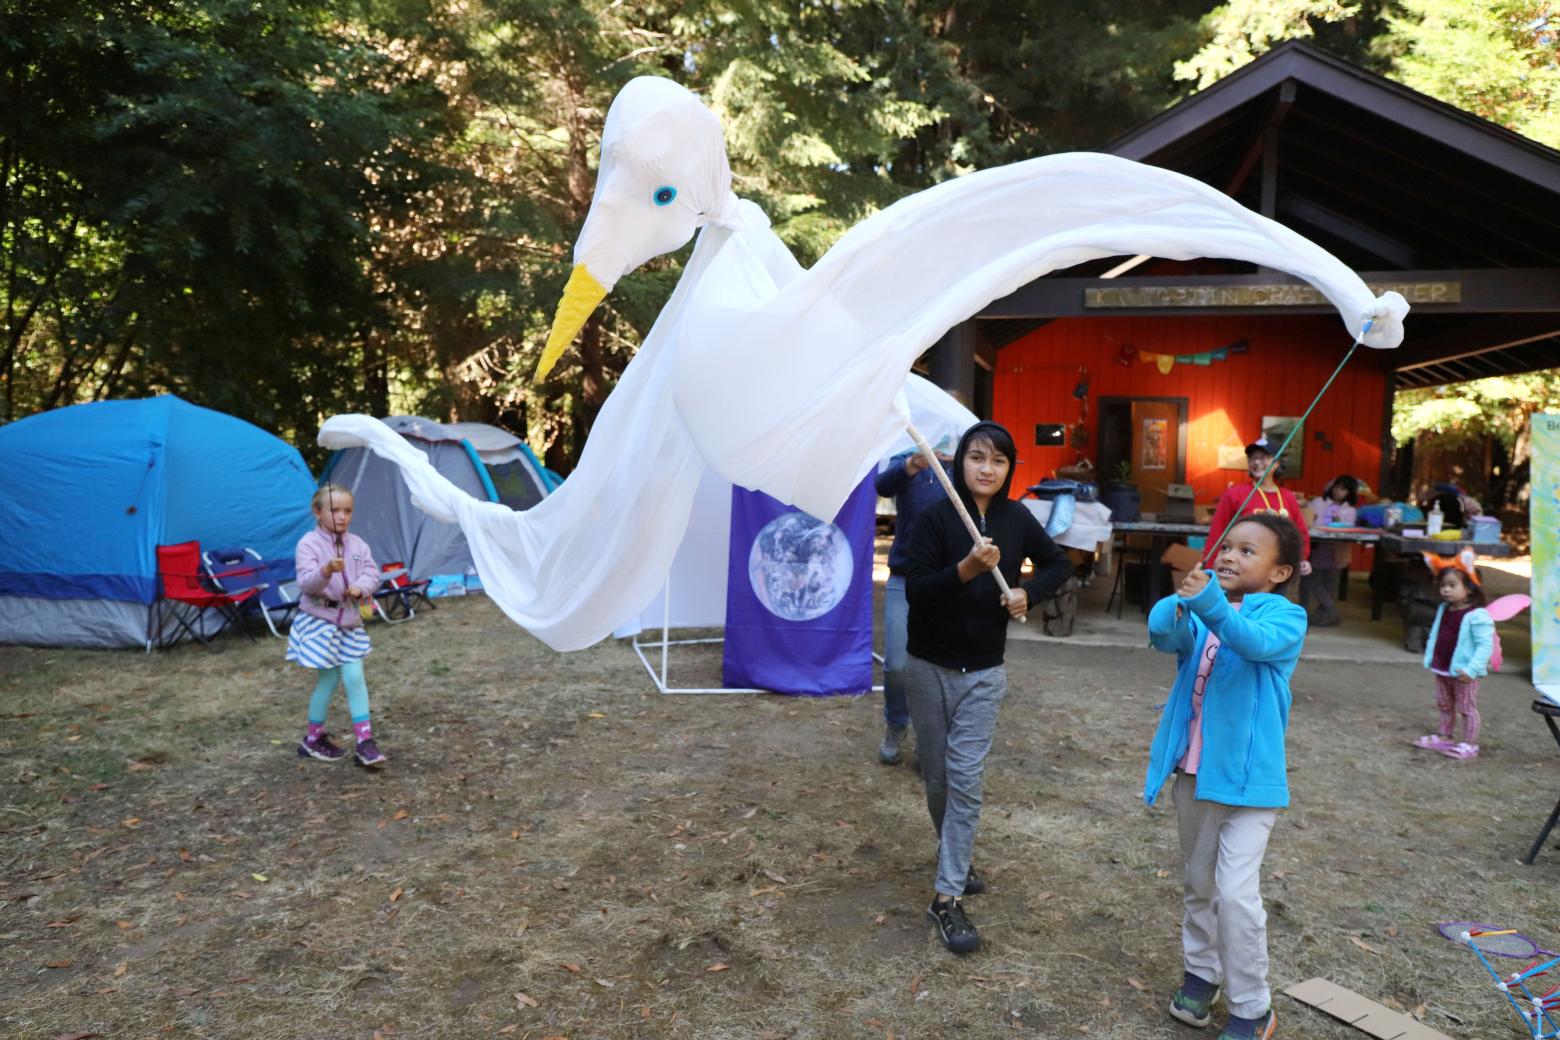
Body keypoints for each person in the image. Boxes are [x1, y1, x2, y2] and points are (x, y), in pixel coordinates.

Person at [904, 420, 1072, 954]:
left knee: (966, 778)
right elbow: (918, 594)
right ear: (961, 462)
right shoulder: (935, 519)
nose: (986, 468)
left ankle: (946, 896)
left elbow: (1058, 563)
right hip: (928, 667)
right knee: (938, 779)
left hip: (984, 672)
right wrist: (968, 569)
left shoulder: (1017, 518)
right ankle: (956, 853)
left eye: (998, 461)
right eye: (978, 457)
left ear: (1009, 469)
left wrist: (1028, 592)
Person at [1145, 514, 1306, 1040]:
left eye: (1247, 551)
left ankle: (1252, 1008)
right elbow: (1166, 638)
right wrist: (1180, 604)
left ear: (1280, 572)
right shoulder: (1205, 612)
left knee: (1235, 894)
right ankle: (1201, 974)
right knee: (1198, 883)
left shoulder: (1286, 618)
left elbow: (1250, 640)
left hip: (1250, 787)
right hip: (1194, 777)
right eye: (1227, 547)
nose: (1230, 557)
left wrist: (1209, 604)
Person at [291, 484, 388, 768]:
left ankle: (365, 743)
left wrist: (359, 587)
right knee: (329, 679)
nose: (342, 517)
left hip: (350, 621)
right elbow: (306, 582)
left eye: (348, 511)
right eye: (335, 510)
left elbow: (372, 573)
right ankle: (312, 740)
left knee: (355, 678)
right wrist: (326, 571)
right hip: (320, 622)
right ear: (317, 512)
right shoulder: (308, 544)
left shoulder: (358, 544)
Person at [873, 437, 956, 764]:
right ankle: (896, 723)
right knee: (897, 664)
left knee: (939, 667)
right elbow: (883, 485)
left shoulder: (966, 462)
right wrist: (914, 464)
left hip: (949, 580)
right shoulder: (909, 457)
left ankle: (930, 739)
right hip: (905, 576)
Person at [1411, 556, 1493, 761]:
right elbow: (1437, 633)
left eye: (1452, 585)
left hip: (1464, 672)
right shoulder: (1444, 609)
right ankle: (1445, 736)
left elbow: (1485, 645)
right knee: (1444, 704)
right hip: (1443, 668)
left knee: (1466, 707)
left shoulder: (1478, 615)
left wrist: (1473, 669)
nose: (1445, 590)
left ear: (1470, 588)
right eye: (1442, 586)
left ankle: (1470, 744)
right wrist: (1431, 657)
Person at [1203, 438, 1311, 575]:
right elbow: (1218, 531)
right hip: (1243, 569)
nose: (1257, 462)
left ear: (1277, 463)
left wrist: (1302, 558)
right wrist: (1209, 566)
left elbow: (1300, 532)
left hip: (1278, 570)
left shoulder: (1287, 496)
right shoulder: (1234, 493)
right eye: (1253, 458)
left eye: (1264, 457)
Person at [1300, 474, 1359, 626]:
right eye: (1337, 487)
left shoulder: (1350, 510)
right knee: (1314, 581)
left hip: (1337, 551)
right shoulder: (1318, 502)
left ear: (1349, 493)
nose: (1338, 491)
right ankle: (1333, 612)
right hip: (1318, 548)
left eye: (1343, 489)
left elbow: (1348, 527)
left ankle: (1324, 617)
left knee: (1330, 585)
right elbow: (1307, 519)